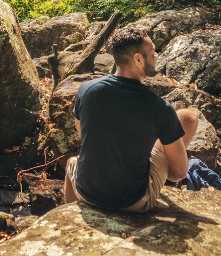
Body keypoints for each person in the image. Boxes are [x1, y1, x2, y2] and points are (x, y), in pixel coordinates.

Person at [63, 26, 199, 211]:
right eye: (152, 53)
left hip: (86, 193)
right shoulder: (159, 108)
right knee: (187, 117)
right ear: (138, 59)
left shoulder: (86, 90)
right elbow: (180, 172)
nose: (156, 56)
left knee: (72, 162)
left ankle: (72, 213)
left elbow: (85, 135)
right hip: (132, 202)